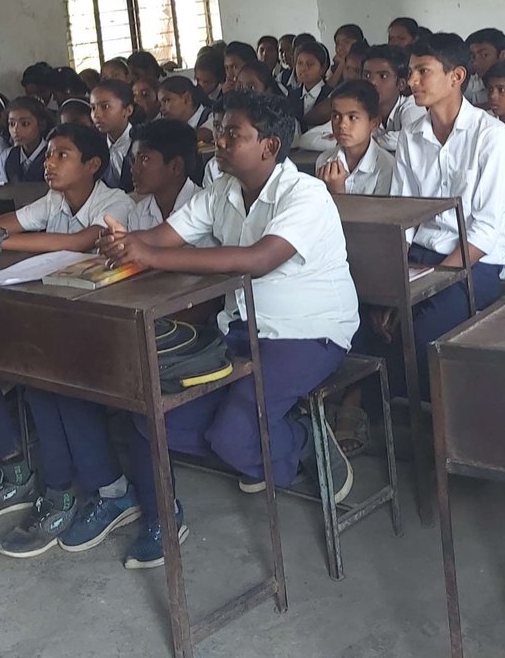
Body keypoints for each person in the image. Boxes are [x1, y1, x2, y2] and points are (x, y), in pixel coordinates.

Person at [98, 90, 359, 569]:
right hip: (241, 330)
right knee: (153, 416)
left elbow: (258, 260)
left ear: (269, 146)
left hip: (307, 333)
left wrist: (150, 255)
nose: (219, 141)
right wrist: (127, 241)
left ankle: (301, 440)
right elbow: (167, 235)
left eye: (233, 134)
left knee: (237, 436)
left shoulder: (306, 194)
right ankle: (261, 444)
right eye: (219, 132)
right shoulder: (222, 189)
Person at [0, 125, 134, 556]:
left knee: (51, 385)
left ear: (93, 165)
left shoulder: (114, 202)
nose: (49, 163)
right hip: (56, 316)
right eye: (48, 155)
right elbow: (9, 224)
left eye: (61, 155)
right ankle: (28, 477)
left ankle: (82, 490)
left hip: (108, 325)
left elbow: (77, 241)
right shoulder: (54, 200)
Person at [376, 32, 505, 394]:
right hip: (420, 256)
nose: (412, 82)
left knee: (421, 334)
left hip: (474, 263)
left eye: (423, 71)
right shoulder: (412, 135)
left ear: (456, 77)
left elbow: (487, 228)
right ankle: (383, 411)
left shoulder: (492, 137)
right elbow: (402, 214)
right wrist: (393, 280)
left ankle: (427, 422)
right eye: (410, 72)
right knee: (371, 321)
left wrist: (431, 282)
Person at [316, 79, 396, 195]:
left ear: (374, 124)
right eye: (336, 116)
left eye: (352, 117)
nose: (342, 125)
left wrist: (338, 193)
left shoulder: (387, 168)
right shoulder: (324, 160)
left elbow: (380, 212)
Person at [125, 118, 200, 230]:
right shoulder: (138, 213)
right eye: (133, 160)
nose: (134, 169)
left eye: (144, 158)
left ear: (176, 166)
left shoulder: (203, 208)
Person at [361, 43, 424, 151]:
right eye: (367, 75)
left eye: (383, 76)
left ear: (401, 84)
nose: (372, 82)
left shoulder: (411, 105)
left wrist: (367, 142)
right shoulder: (358, 107)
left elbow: (413, 138)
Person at [90, 79, 137, 191]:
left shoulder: (144, 143)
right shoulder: (94, 146)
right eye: (93, 108)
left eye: (105, 107)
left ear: (128, 110)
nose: (96, 114)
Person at [0, 96, 52, 184]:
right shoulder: (6, 156)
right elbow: (0, 189)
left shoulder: (52, 155)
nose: (15, 130)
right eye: (12, 124)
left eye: (25, 124)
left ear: (41, 125)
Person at [288, 39, 334, 128]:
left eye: (310, 64)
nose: (303, 68)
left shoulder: (330, 95)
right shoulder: (292, 95)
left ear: (323, 68)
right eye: (300, 63)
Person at [464, 27, 505, 108]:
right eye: (472, 56)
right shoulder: (472, 82)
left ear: (504, 55)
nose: (475, 61)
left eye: (484, 55)